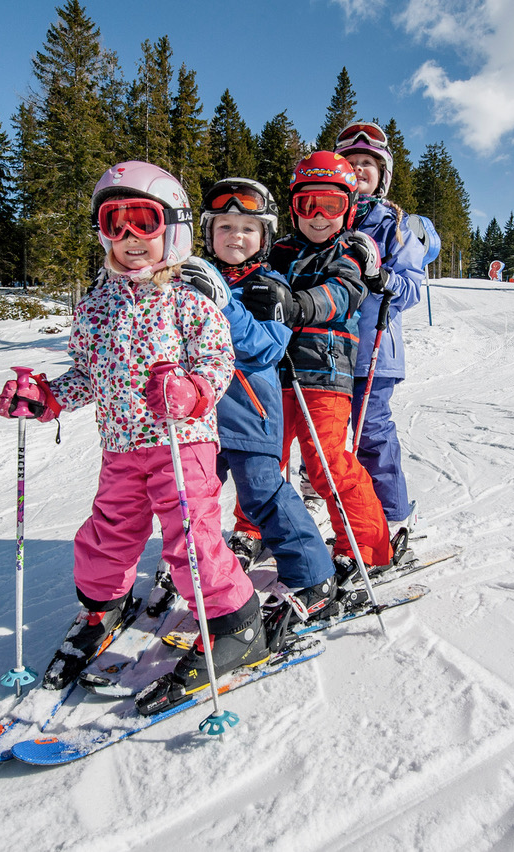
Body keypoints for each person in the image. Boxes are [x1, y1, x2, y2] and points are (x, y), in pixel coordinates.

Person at [0, 161, 267, 715]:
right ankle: (101, 607)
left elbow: (218, 364)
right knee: (107, 532)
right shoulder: (96, 304)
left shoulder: (190, 297)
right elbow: (88, 376)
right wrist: (46, 398)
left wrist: (192, 390)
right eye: (112, 221)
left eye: (142, 221)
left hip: (182, 441)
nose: (127, 238)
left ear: (172, 227)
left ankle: (236, 621)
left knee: (188, 538)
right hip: (121, 445)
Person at [191, 178, 338, 630]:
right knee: (192, 499)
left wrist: (223, 306)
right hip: (197, 417)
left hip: (250, 412)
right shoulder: (190, 282)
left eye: (248, 228)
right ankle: (199, 569)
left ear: (265, 236)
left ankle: (313, 577)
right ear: (208, 234)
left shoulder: (269, 286)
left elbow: (266, 349)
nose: (236, 236)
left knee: (262, 495)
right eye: (225, 226)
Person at [243, 151, 394, 582]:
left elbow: (341, 295)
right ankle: (252, 528)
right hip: (273, 375)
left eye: (331, 205)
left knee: (326, 462)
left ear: (348, 209)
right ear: (294, 208)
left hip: (324, 376)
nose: (319, 216)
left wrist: (296, 305)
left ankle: (363, 543)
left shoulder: (347, 253)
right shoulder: (276, 252)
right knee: (261, 459)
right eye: (309, 204)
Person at [334, 120, 426, 548]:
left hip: (374, 351)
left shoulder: (394, 224)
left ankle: (391, 516)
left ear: (382, 174)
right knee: (333, 439)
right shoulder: (325, 216)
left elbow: (410, 288)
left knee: (370, 433)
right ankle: (348, 514)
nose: (358, 169)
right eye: (350, 163)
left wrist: (379, 275)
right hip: (329, 351)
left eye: (366, 164)